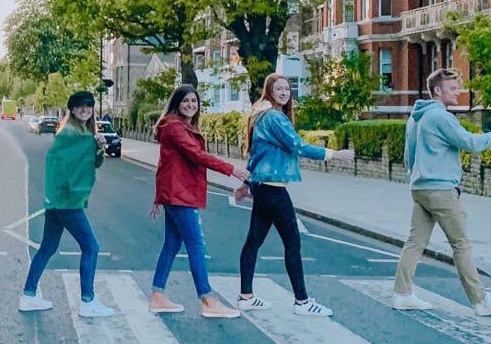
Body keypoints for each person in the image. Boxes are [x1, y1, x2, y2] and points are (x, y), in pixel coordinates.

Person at [393, 67, 491, 317]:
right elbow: (472, 144)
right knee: (461, 244)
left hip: (420, 188)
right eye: (452, 88)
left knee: (415, 242)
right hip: (440, 190)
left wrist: (418, 177)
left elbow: (408, 156)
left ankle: (402, 293)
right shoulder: (440, 117)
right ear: (438, 91)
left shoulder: (415, 117)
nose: (458, 92)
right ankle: (481, 301)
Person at [238, 73, 354, 317]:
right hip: (273, 188)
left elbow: (256, 153)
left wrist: (248, 182)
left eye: (287, 89)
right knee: (292, 243)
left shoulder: (260, 116)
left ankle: (246, 296)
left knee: (253, 242)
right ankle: (302, 301)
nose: (283, 92)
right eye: (278, 89)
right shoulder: (274, 117)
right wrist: (335, 155)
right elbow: (298, 146)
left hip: (262, 184)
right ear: (269, 91)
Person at [148, 85, 250, 318]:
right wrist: (231, 169)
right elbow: (196, 156)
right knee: (196, 244)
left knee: (172, 245)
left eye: (194, 101)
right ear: (176, 103)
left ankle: (157, 296)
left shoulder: (178, 125)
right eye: (185, 101)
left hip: (176, 192)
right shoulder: (174, 126)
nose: (191, 105)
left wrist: (159, 195)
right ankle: (207, 299)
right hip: (179, 194)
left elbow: (166, 164)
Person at [19, 90, 114, 317]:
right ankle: (87, 301)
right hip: (67, 203)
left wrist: (98, 147)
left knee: (48, 247)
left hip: (57, 201)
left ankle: (28, 295)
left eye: (89, 106)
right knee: (91, 247)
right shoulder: (69, 133)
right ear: (71, 109)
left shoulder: (82, 133)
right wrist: (94, 143)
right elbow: (74, 156)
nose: (85, 110)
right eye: (80, 106)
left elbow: (92, 164)